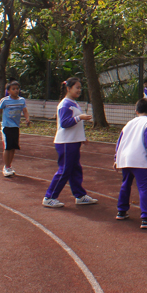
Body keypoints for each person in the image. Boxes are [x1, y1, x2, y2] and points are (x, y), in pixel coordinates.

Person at [43, 77, 98, 209]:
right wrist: (80, 117)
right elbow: (65, 123)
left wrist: (82, 137)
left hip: (73, 142)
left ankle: (79, 196)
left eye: (80, 87)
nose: (79, 90)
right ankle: (49, 197)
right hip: (66, 143)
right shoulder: (65, 104)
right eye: (77, 87)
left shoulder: (73, 103)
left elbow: (74, 125)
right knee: (64, 170)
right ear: (68, 88)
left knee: (75, 169)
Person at [114, 99, 147, 229]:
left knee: (125, 184)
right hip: (139, 159)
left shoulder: (129, 123)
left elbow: (119, 141)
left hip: (125, 158)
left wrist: (116, 158)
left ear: (136, 111)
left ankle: (121, 211)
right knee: (144, 187)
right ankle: (146, 218)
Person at [0, 81, 31, 177]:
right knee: (7, 147)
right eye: (13, 89)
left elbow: (25, 110)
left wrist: (27, 119)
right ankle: (6, 166)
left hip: (15, 127)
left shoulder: (22, 100)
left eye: (17, 88)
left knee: (13, 148)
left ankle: (9, 165)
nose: (16, 90)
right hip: (6, 126)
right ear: (8, 91)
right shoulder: (4, 101)